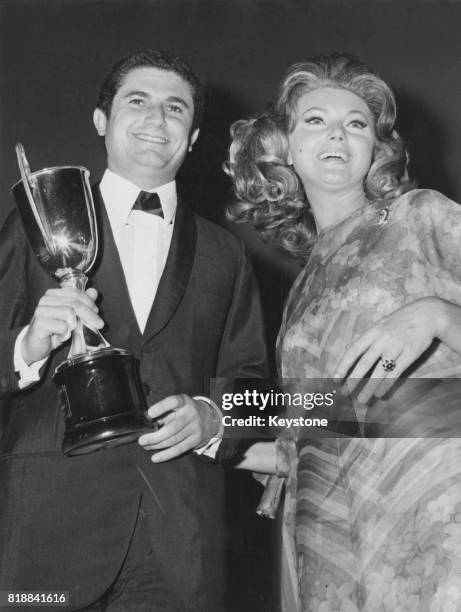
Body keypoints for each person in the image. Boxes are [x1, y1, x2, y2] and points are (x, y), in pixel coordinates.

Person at [0, 49, 269, 611]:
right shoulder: (35, 224)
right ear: (102, 121)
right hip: (46, 533)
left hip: (177, 541)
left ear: (193, 137)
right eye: (138, 101)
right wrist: (28, 345)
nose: (157, 119)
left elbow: (255, 382)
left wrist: (216, 414)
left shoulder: (227, 253)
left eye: (176, 108)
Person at [226, 53, 461, 612]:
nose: (338, 132)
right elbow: (305, 434)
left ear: (376, 149)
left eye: (357, 123)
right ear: (281, 147)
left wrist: (439, 315)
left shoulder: (420, 215)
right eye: (315, 119)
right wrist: (208, 429)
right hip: (330, 540)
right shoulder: (301, 290)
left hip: (436, 512)